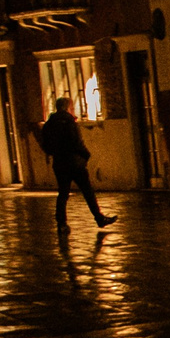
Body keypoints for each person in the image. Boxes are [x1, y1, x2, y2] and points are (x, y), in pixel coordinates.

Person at [36, 98, 114, 238]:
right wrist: (86, 155)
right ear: (67, 107)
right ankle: (99, 218)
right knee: (87, 191)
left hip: (59, 163)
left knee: (63, 193)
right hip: (74, 162)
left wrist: (54, 153)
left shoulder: (49, 124)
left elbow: (44, 144)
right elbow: (76, 141)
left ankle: (61, 223)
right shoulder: (69, 121)